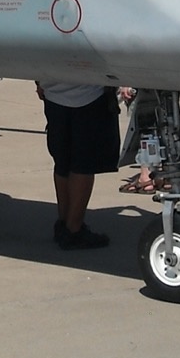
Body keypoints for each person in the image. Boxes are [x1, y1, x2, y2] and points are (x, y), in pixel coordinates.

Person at [37, 82, 119, 249]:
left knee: (62, 162)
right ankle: (73, 229)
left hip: (53, 91)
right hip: (88, 94)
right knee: (84, 164)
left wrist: (39, 82)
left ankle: (64, 221)